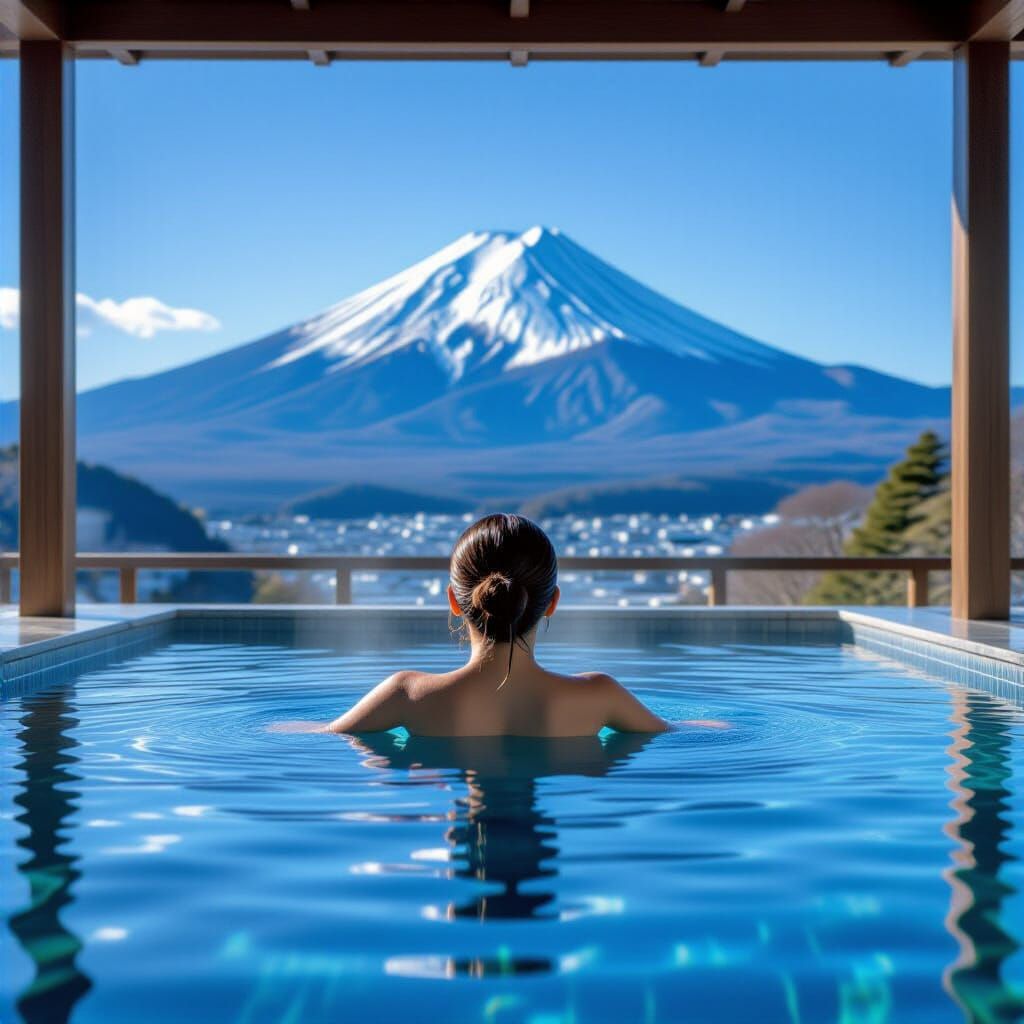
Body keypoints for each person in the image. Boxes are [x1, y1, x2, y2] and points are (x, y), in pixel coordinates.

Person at [317, 513, 724, 737]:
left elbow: (320, 736)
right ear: (552, 604)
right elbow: (682, 733)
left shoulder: (407, 695)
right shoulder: (601, 698)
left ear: (455, 604)